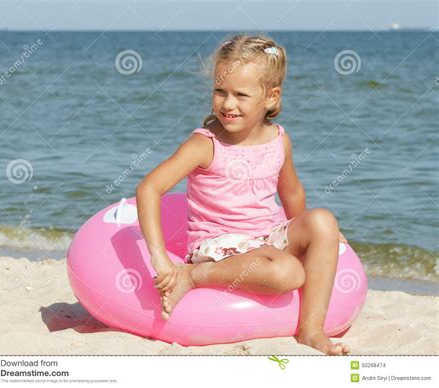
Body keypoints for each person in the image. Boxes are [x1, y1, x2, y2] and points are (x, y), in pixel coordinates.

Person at [136, 34, 350, 355]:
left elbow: (291, 192)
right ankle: (192, 277)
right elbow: (149, 188)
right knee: (289, 271)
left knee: (323, 220)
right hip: (218, 247)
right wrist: (159, 256)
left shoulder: (279, 139)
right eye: (220, 91)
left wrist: (318, 236)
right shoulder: (205, 144)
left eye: (241, 94)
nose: (227, 103)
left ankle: (310, 330)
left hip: (264, 238)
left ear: (271, 97)